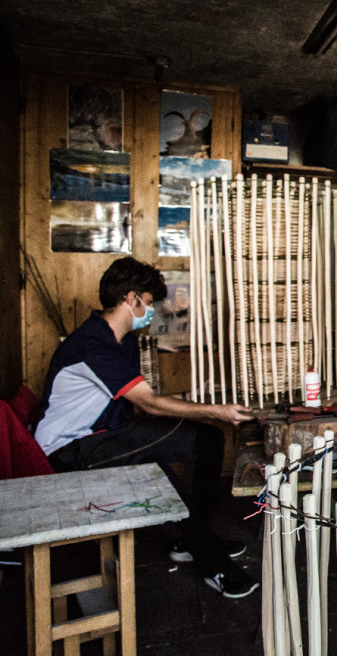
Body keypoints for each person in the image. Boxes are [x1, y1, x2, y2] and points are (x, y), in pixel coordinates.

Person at [35, 257, 259, 599]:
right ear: (130, 298)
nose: (151, 310)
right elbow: (149, 402)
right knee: (168, 457)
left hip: (106, 436)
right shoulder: (93, 343)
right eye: (149, 302)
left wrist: (211, 407)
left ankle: (191, 539)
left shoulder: (123, 340)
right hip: (69, 450)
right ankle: (212, 564)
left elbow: (138, 402)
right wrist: (216, 410)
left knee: (207, 439)